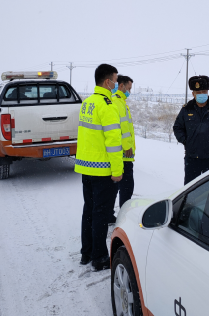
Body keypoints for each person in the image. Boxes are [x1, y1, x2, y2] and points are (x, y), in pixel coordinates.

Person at [75, 63, 123, 271]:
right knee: (101, 214)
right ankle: (100, 257)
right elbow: (113, 142)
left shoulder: (87, 103)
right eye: (116, 80)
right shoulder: (107, 105)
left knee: (89, 210)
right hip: (103, 170)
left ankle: (86, 253)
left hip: (86, 168)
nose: (116, 84)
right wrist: (117, 171)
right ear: (107, 82)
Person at [173, 75, 209, 185]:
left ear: (207, 92)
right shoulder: (186, 109)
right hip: (192, 158)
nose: (201, 94)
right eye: (198, 92)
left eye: (204, 91)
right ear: (193, 94)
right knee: (191, 189)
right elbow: (177, 127)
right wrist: (186, 141)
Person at [109, 75, 135, 222]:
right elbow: (122, 127)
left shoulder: (120, 101)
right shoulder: (117, 102)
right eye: (128, 88)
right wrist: (127, 146)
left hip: (121, 152)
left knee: (116, 187)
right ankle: (124, 216)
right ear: (121, 86)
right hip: (123, 153)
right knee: (126, 187)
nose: (129, 92)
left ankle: (110, 214)